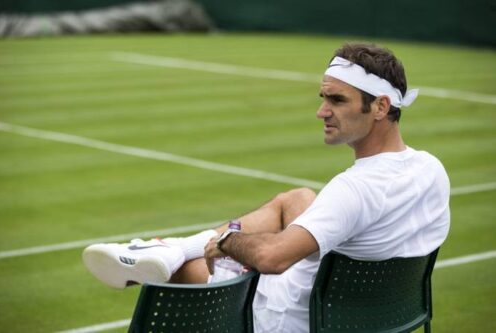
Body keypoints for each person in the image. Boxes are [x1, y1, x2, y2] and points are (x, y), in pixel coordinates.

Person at [83, 42, 450, 332]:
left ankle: (171, 255)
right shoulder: (430, 168)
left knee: (196, 264)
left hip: (298, 320)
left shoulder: (354, 189)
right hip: (381, 316)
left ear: (381, 107)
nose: (322, 111)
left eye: (337, 100)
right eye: (323, 97)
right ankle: (169, 249)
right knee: (298, 199)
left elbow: (273, 260)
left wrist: (225, 243)